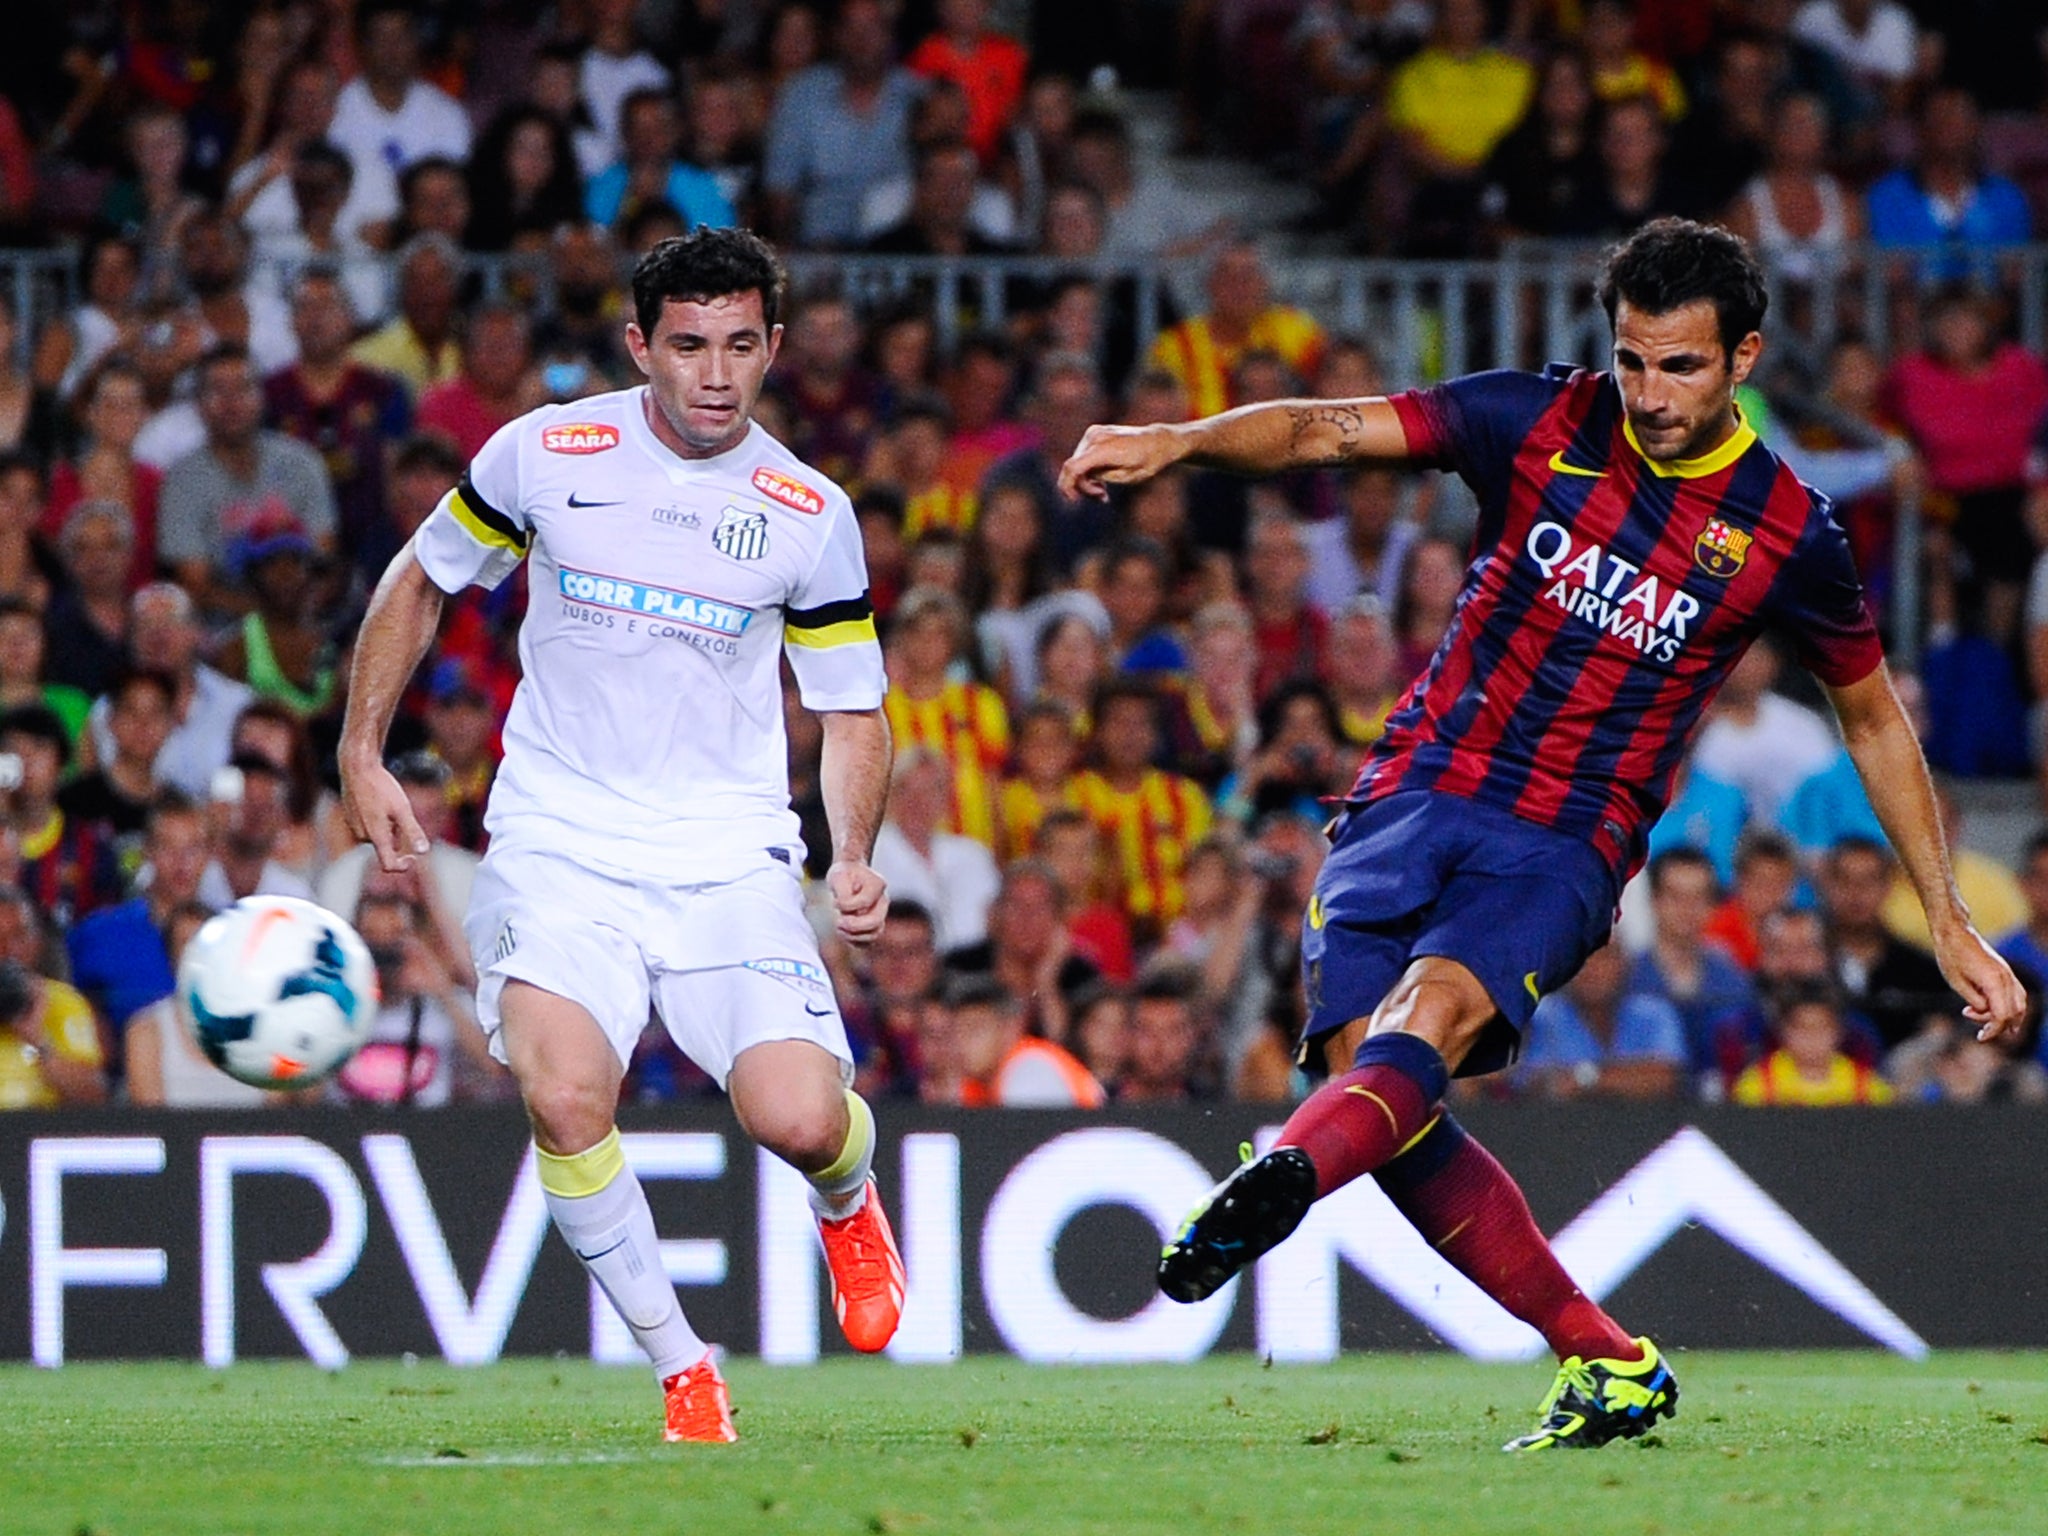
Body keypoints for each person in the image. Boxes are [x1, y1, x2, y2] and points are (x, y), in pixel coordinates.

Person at [1058, 216, 2024, 1451]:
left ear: (1742, 359)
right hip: (1408, 793)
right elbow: (1319, 428)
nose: (1649, 393)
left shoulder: (1786, 528)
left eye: (1679, 365)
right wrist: (1177, 442)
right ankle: (1605, 1360)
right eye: (1631, 360)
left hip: (1566, 832)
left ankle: (1286, 1179)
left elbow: (1875, 723)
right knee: (1371, 1084)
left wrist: (1941, 913)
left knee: (1429, 1021)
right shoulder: (1530, 418)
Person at [337, 228, 905, 1443]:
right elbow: (422, 578)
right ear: (639, 344)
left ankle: (848, 1196)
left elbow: (851, 707)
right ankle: (681, 1366)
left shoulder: (807, 513)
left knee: (796, 1119)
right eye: (689, 346)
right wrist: (359, 747)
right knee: (563, 1095)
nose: (714, 375)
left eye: (740, 347)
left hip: (725, 859)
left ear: (773, 350)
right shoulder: (546, 454)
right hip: (557, 843)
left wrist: (850, 849)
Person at [949, 973, 1102, 1107]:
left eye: (974, 1030)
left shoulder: (1031, 1067)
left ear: (1008, 1030)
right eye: (955, 1032)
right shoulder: (975, 1083)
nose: (961, 1043)